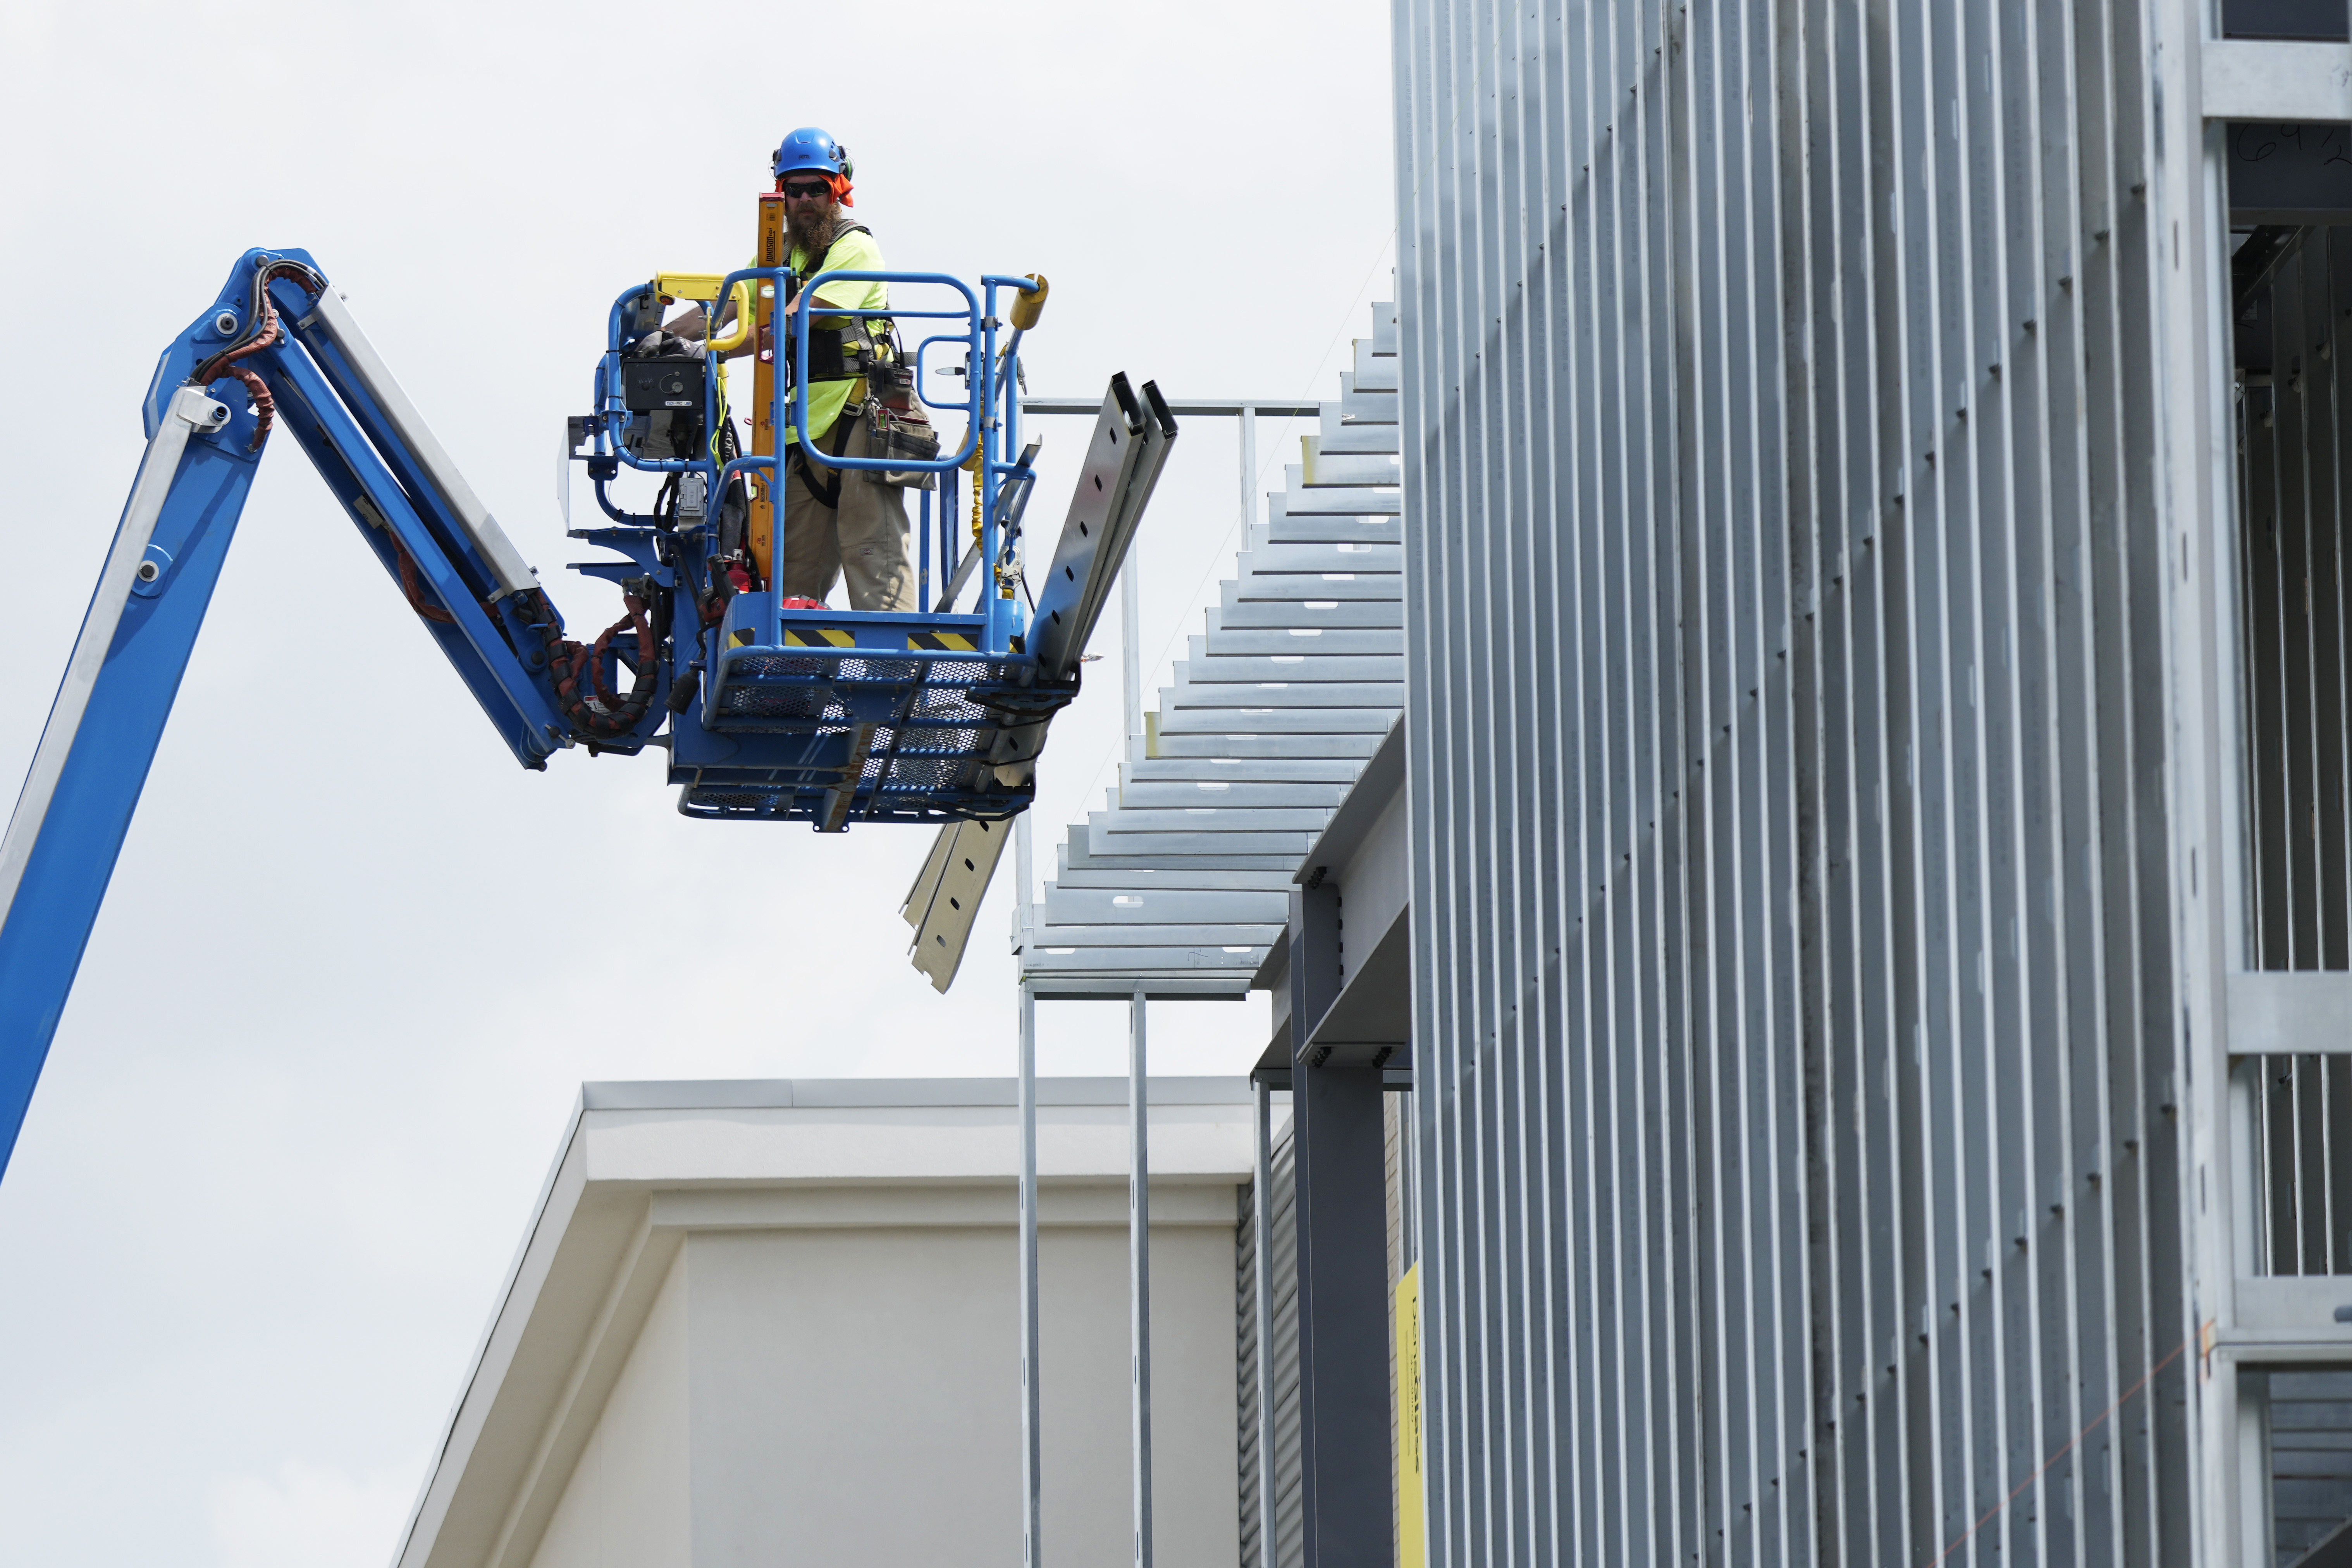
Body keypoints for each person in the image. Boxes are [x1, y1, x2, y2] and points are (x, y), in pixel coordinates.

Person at [669, 127, 915, 611]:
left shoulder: (855, 248)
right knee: (792, 567)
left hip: (862, 414)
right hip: (805, 425)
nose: (804, 200)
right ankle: (791, 675)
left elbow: (790, 321)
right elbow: (728, 307)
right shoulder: (783, 253)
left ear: (838, 189)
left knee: (872, 549)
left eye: (816, 189)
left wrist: (712, 348)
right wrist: (667, 342)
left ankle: (894, 667)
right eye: (794, 190)